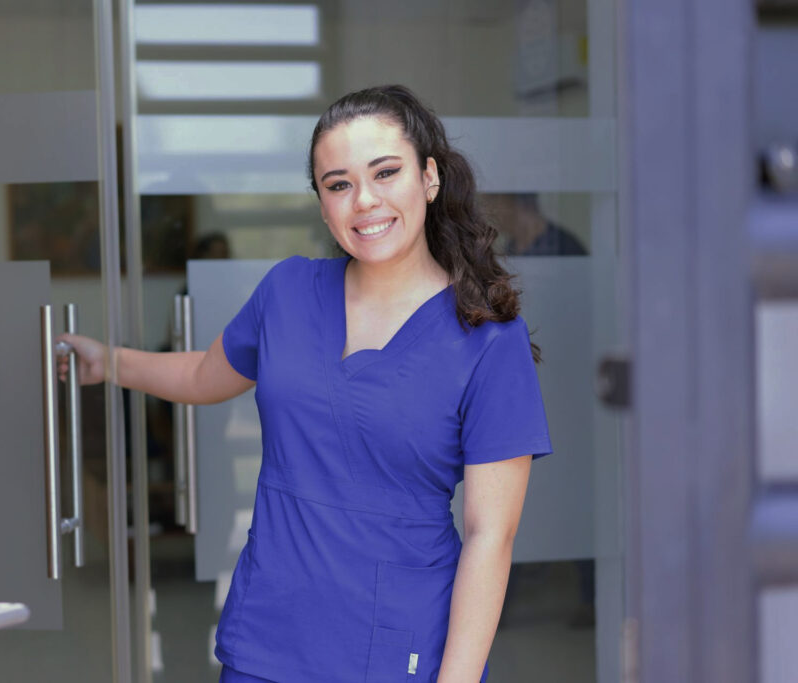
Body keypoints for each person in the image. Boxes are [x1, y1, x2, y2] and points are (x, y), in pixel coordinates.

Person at [57, 84, 552, 683]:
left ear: (429, 178)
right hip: (266, 638)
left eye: (386, 172)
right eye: (338, 184)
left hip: (396, 647)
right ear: (322, 204)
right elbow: (201, 374)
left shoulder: (488, 338)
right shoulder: (287, 292)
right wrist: (108, 362)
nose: (363, 201)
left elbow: (488, 538)